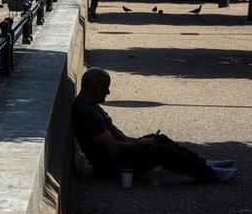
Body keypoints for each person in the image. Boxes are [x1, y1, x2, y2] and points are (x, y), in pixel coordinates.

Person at [73, 68, 238, 184]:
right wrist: (139, 144)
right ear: (94, 87)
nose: (108, 92)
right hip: (114, 164)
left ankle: (204, 163)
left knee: (158, 139)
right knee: (161, 152)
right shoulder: (87, 112)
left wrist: (140, 140)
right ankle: (211, 174)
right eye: (105, 87)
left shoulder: (90, 105)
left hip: (120, 156)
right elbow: (113, 148)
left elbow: (117, 138)